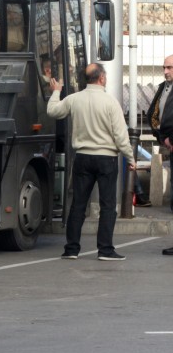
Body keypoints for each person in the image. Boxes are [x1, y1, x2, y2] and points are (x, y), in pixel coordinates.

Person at [48, 63, 136, 261]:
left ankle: (71, 249)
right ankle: (105, 250)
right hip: (106, 159)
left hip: (82, 158)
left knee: (78, 204)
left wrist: (56, 92)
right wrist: (130, 159)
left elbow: (53, 111)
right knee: (107, 206)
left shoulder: (74, 99)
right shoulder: (110, 103)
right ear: (102, 78)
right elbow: (121, 137)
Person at [147, 55, 173, 254]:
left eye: (169, 67)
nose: (165, 71)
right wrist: (162, 137)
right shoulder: (163, 88)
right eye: (164, 67)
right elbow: (153, 116)